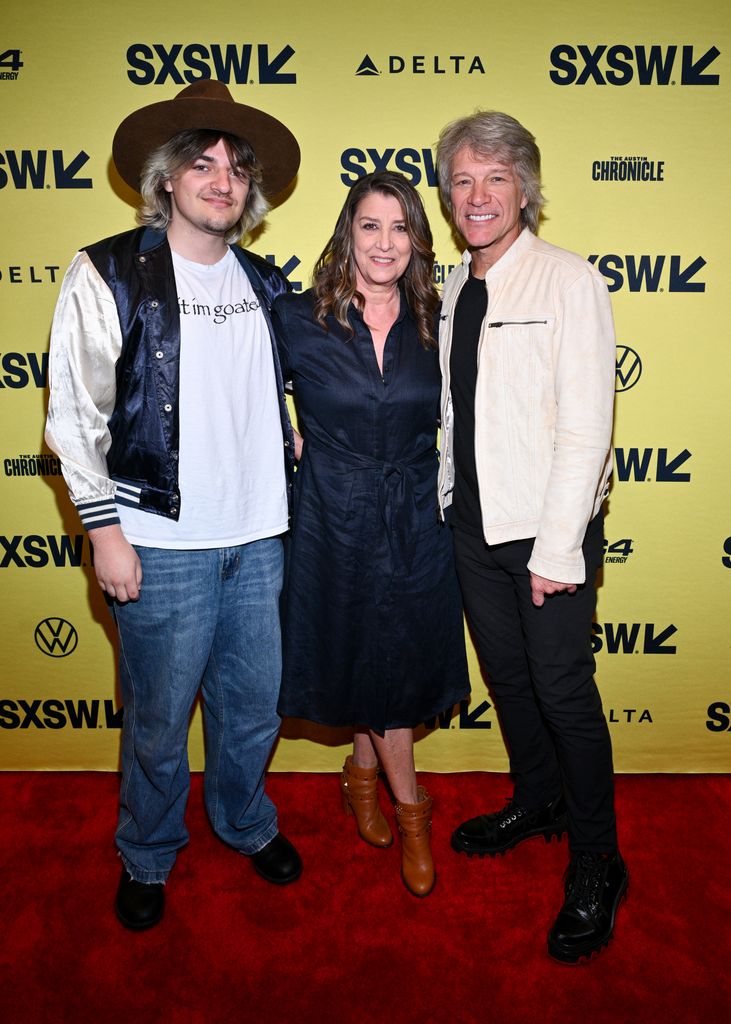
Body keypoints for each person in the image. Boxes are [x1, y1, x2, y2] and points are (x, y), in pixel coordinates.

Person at [45, 80, 303, 931]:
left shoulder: (265, 280)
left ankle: (242, 821)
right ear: (165, 179)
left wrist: (291, 431)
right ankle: (149, 854)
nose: (221, 179)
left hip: (261, 537)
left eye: (234, 166)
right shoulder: (108, 270)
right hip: (158, 540)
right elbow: (73, 417)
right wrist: (104, 531)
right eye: (202, 163)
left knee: (253, 707)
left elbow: (276, 386)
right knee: (157, 720)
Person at [435, 111, 627, 962]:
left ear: (524, 189)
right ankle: (538, 797)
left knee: (563, 692)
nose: (477, 197)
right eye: (462, 181)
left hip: (547, 532)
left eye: (495, 179)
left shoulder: (568, 281)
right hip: (472, 524)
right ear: (447, 195)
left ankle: (597, 860)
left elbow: (587, 428)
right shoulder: (449, 288)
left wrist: (557, 549)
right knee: (507, 678)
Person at [272, 171, 470, 897]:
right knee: (366, 649)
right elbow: (238, 397)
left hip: (417, 512)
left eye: (398, 228)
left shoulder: (440, 321)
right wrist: (284, 439)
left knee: (391, 655)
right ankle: (410, 811)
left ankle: (361, 779)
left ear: (418, 239)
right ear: (345, 233)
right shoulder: (294, 318)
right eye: (369, 226)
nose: (384, 243)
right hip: (330, 512)